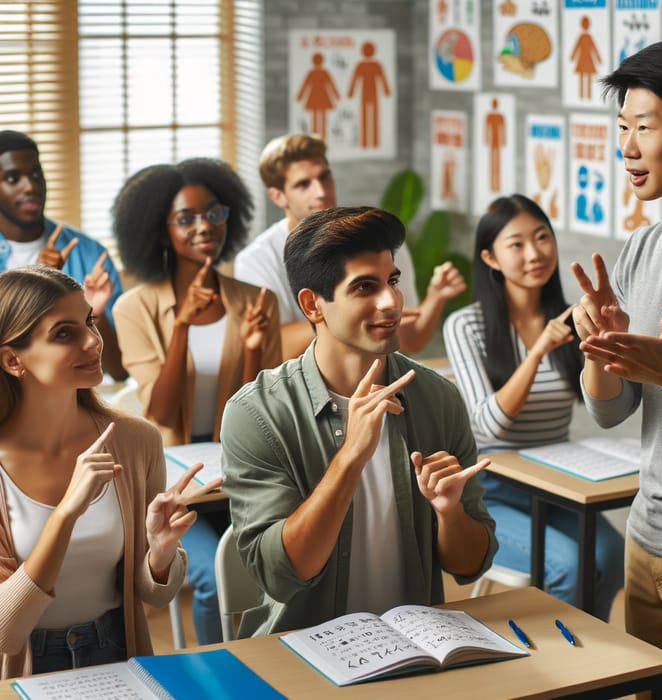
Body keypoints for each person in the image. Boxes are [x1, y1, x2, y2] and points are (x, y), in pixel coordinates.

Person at [222, 206, 497, 637]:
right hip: (301, 655)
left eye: (391, 281)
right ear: (313, 305)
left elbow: (470, 564)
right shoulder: (257, 414)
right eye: (364, 287)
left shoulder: (438, 399)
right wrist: (350, 455)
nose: (391, 302)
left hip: (412, 651)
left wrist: (451, 514)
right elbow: (281, 574)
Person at [0, 265, 217, 679]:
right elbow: (4, 634)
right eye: (65, 333)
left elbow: (154, 596)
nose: (93, 342)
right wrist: (65, 514)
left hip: (119, 652)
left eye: (90, 322)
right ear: (13, 359)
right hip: (25, 671)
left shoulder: (136, 441)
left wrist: (160, 552)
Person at [570, 37, 662, 699]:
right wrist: (603, 349)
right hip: (645, 538)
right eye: (621, 128)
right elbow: (611, 409)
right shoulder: (642, 249)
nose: (626, 148)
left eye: (645, 128)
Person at [111, 157, 281, 646]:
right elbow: (160, 412)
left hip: (236, 468)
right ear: (161, 233)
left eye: (213, 212)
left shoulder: (257, 301)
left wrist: (251, 351)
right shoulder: (135, 307)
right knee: (210, 577)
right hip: (171, 481)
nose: (204, 226)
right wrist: (181, 325)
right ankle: (216, 671)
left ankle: (269, 662)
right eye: (185, 218)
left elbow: (254, 412)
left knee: (275, 559)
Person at [442, 194, 624, 620]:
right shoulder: (465, 325)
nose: (535, 253)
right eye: (517, 244)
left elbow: (602, 400)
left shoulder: (571, 317)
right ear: (490, 257)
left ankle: (589, 665)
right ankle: (566, 670)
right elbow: (490, 424)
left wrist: (608, 337)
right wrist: (538, 349)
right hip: (489, 491)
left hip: (554, 483)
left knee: (613, 555)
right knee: (566, 566)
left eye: (542, 237)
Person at [234, 133, 466, 359]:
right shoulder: (256, 261)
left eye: (325, 177)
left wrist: (436, 298)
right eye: (303, 184)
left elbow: (411, 340)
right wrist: (352, 314)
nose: (321, 191)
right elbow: (271, 348)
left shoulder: (379, 239)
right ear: (278, 196)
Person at [0, 130, 126, 380]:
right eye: (13, 178)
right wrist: (42, 281)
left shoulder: (90, 254)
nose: (31, 186)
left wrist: (92, 313)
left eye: (36, 175)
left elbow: (119, 369)